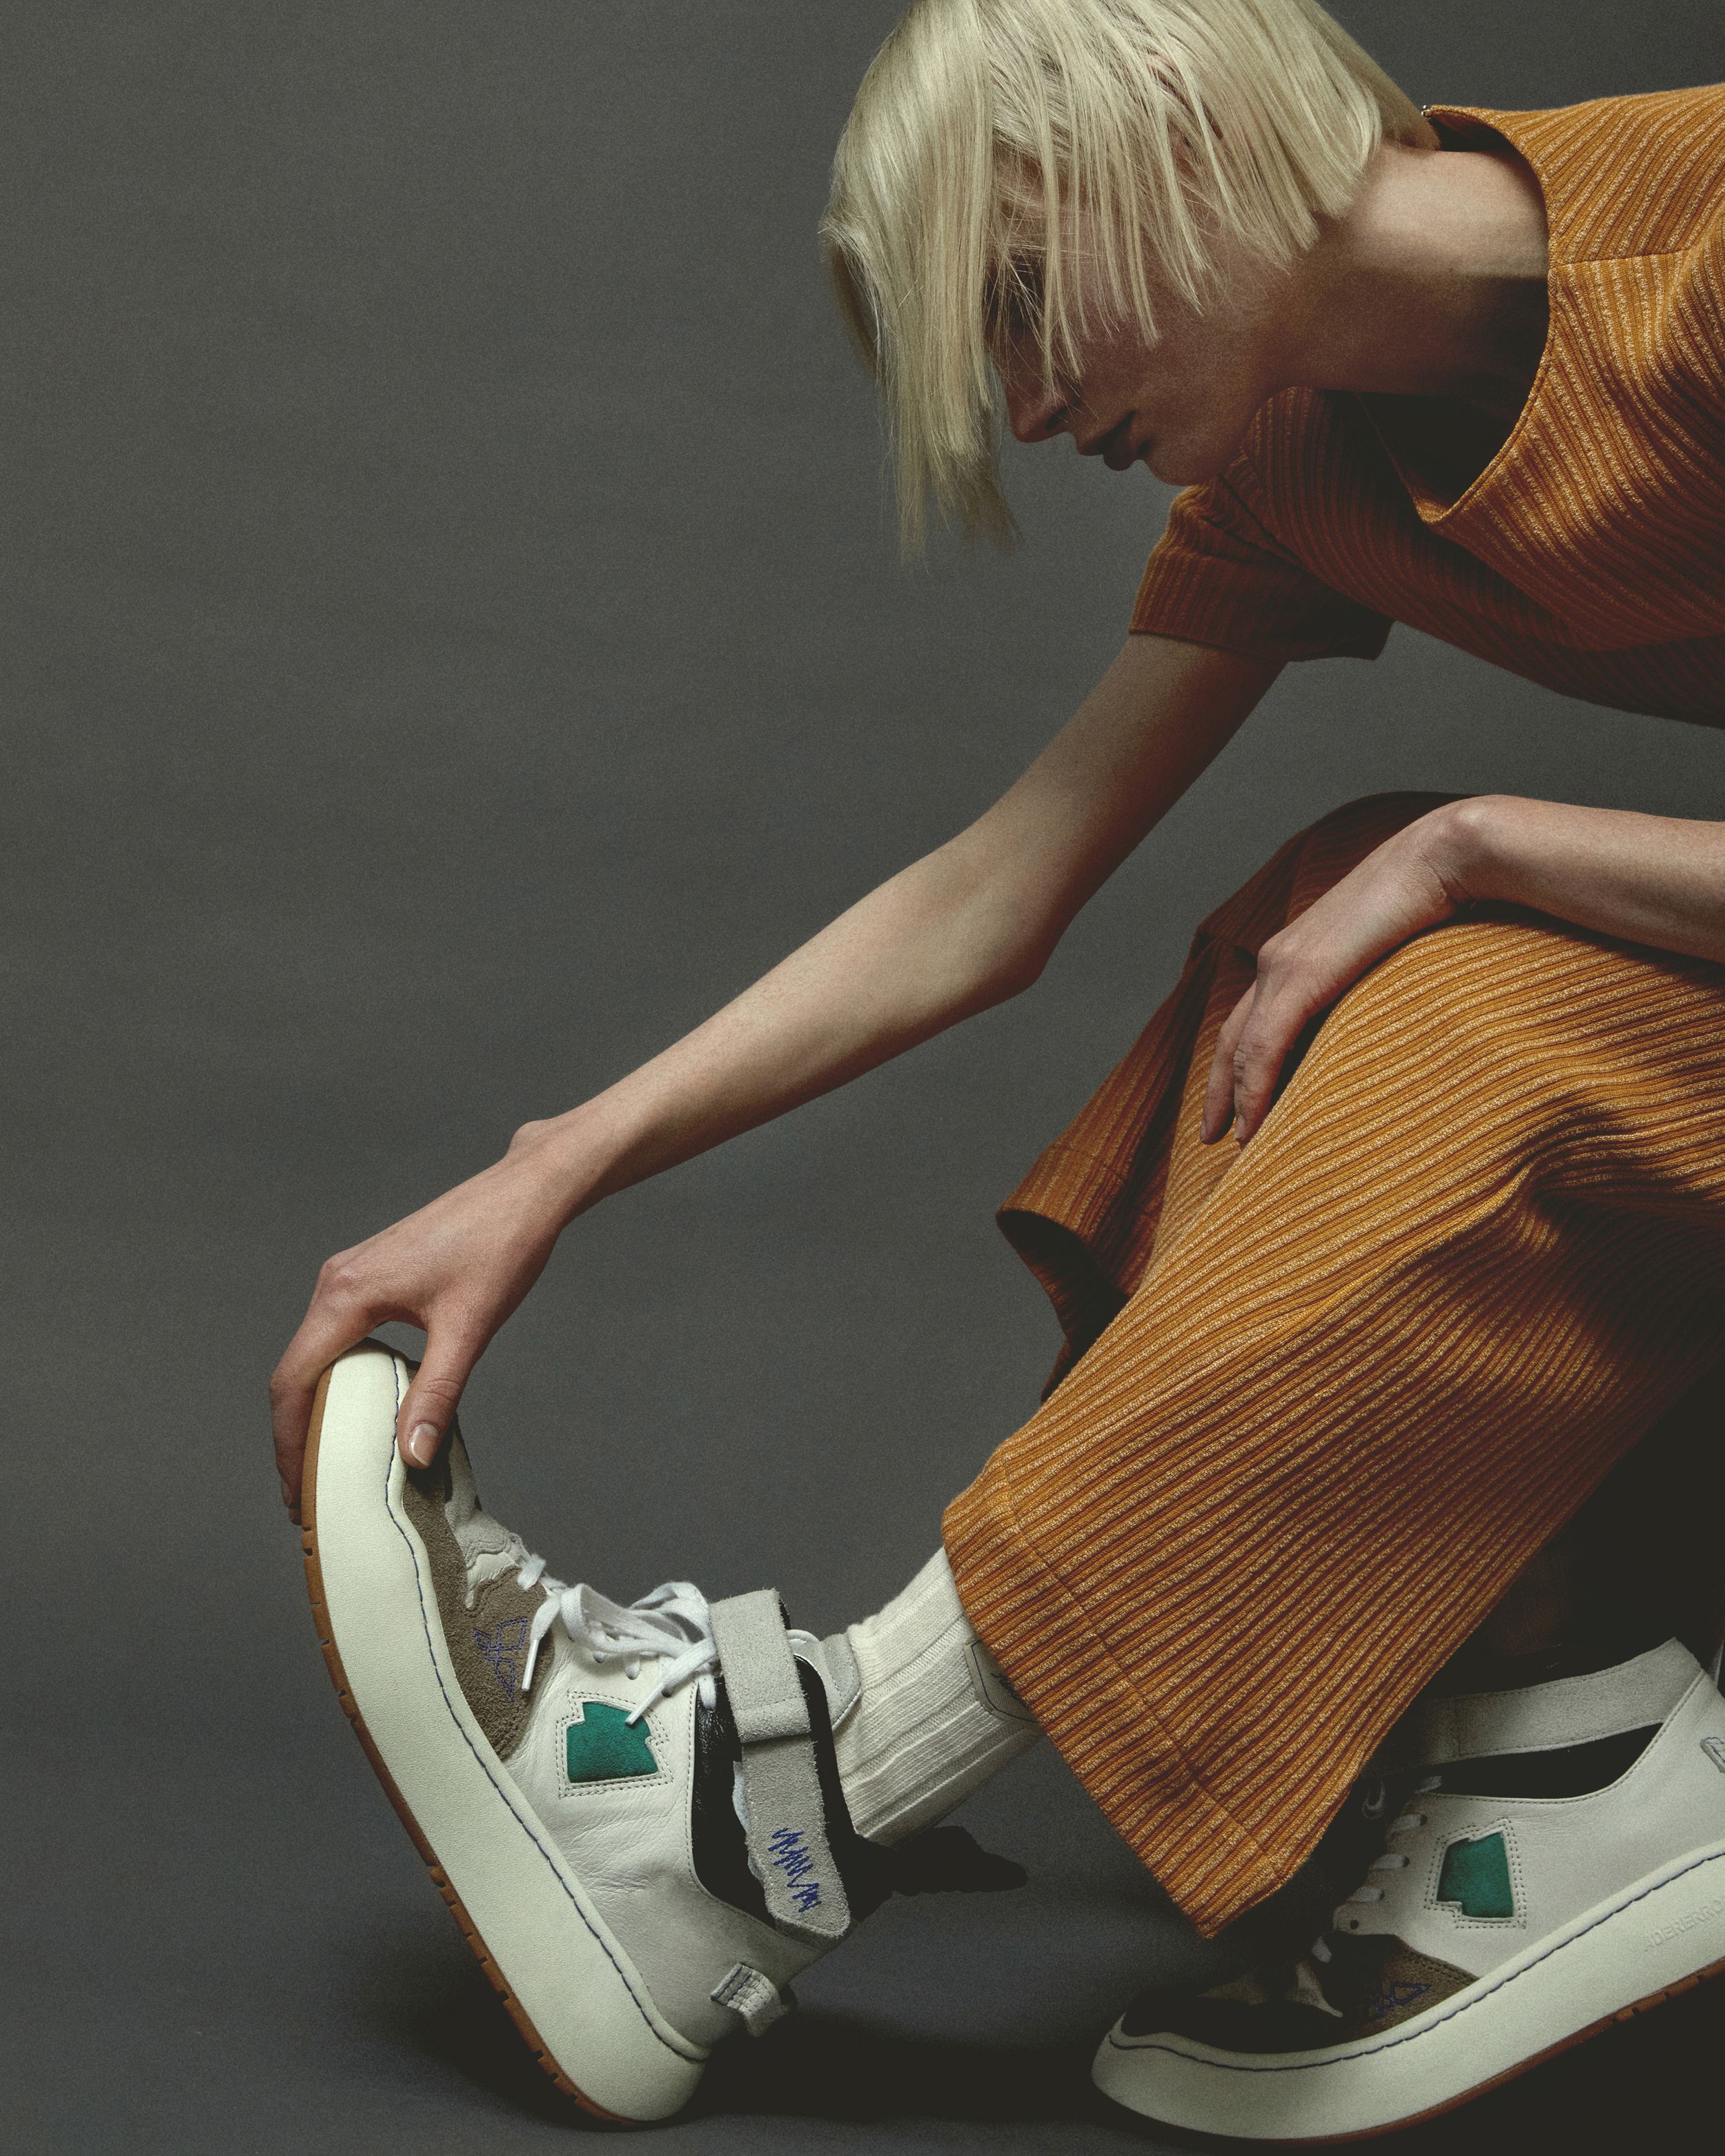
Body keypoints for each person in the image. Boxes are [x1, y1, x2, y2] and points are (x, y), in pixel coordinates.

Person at [272, 0, 1725, 2137]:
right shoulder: (1305, 457)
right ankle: (1562, 1734)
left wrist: (1475, 845)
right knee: (1320, 925)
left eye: (1026, 299)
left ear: (1174, 124)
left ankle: (767, 1812)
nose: (1028, 408)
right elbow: (994, 889)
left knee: (1456, 975)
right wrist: (551, 1166)